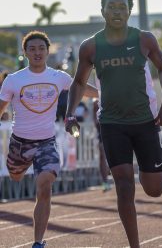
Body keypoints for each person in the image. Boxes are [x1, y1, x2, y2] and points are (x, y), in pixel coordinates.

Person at [64, 0, 162, 248]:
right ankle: (134, 245)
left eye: (121, 7)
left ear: (129, 12)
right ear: (102, 11)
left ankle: (145, 167)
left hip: (145, 122)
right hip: (112, 123)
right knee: (124, 186)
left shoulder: (144, 39)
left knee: (154, 189)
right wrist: (69, 114)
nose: (116, 11)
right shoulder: (90, 46)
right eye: (111, 7)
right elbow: (79, 83)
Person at [0, 31, 98, 248]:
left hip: (46, 142)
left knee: (44, 186)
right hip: (20, 143)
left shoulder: (59, 77)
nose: (37, 53)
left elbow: (81, 87)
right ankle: (18, 170)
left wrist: (105, 93)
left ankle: (38, 242)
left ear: (47, 51)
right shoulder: (14, 81)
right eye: (32, 49)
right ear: (25, 52)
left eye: (41, 49)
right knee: (15, 177)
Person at [92, 99, 111, 192]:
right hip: (102, 129)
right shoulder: (95, 101)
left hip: (116, 127)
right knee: (102, 155)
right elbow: (94, 120)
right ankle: (105, 182)